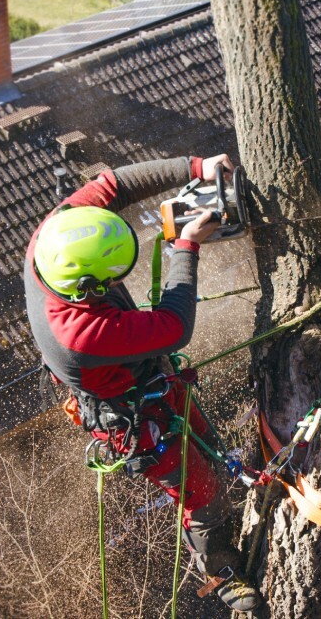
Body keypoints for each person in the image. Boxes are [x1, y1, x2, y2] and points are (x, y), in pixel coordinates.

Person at [24, 155, 262, 612]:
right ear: (89, 286)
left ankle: (226, 478)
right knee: (200, 490)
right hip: (134, 415)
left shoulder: (56, 234)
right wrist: (186, 248)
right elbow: (174, 324)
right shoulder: (80, 335)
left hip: (153, 378)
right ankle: (223, 574)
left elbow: (114, 184)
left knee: (207, 444)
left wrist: (195, 166)